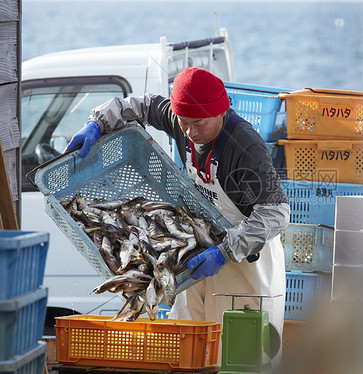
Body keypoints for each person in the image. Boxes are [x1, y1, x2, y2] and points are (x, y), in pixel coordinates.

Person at [65, 67, 289, 364]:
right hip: (196, 252)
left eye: (199, 124)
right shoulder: (180, 117)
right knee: (190, 349)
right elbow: (141, 105)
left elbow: (276, 212)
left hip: (247, 260)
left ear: (220, 113)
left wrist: (225, 252)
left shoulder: (244, 146)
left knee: (242, 357)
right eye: (183, 123)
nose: (190, 132)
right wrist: (97, 121)